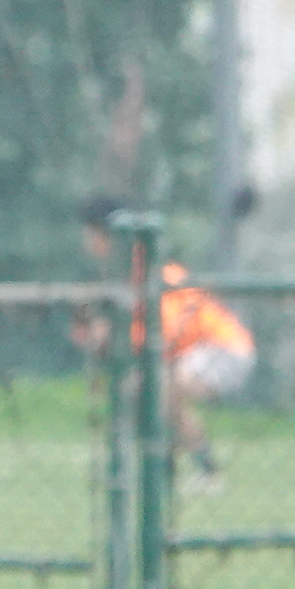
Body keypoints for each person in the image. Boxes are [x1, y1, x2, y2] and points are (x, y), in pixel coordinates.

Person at [76, 204, 253, 483]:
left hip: (222, 348)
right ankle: (177, 471)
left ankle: (181, 472)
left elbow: (165, 331)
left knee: (161, 389)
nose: (87, 240)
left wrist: (116, 334)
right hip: (188, 352)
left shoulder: (151, 271)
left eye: (91, 233)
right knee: (143, 390)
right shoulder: (126, 272)